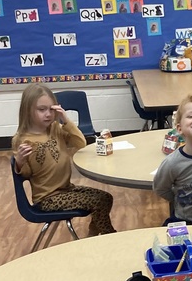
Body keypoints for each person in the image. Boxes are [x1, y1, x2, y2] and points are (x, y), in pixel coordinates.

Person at [12, 84, 115, 235]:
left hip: (66, 189)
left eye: (51, 109)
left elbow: (80, 143)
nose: (48, 114)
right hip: (47, 199)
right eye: (42, 110)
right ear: (28, 111)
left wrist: (65, 120)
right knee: (97, 201)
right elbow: (26, 174)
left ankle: (94, 232)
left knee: (105, 197)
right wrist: (20, 161)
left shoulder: (55, 128)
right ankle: (109, 235)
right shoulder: (23, 140)